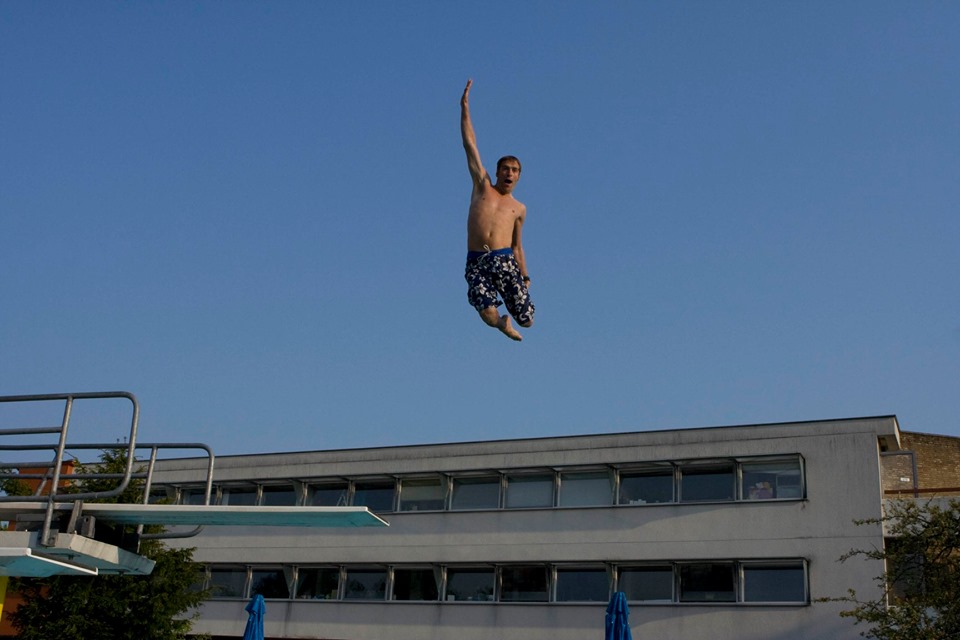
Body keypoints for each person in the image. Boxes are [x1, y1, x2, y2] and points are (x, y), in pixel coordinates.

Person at [460, 79, 535, 341]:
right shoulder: (482, 187)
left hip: (505, 260)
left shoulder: (518, 208)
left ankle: (515, 318)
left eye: (514, 171)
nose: (510, 173)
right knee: (488, 313)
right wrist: (465, 108)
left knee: (527, 321)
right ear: (497, 172)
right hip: (478, 261)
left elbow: (518, 246)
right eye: (506, 169)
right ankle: (502, 324)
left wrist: (525, 275)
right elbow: (470, 146)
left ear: (518, 177)